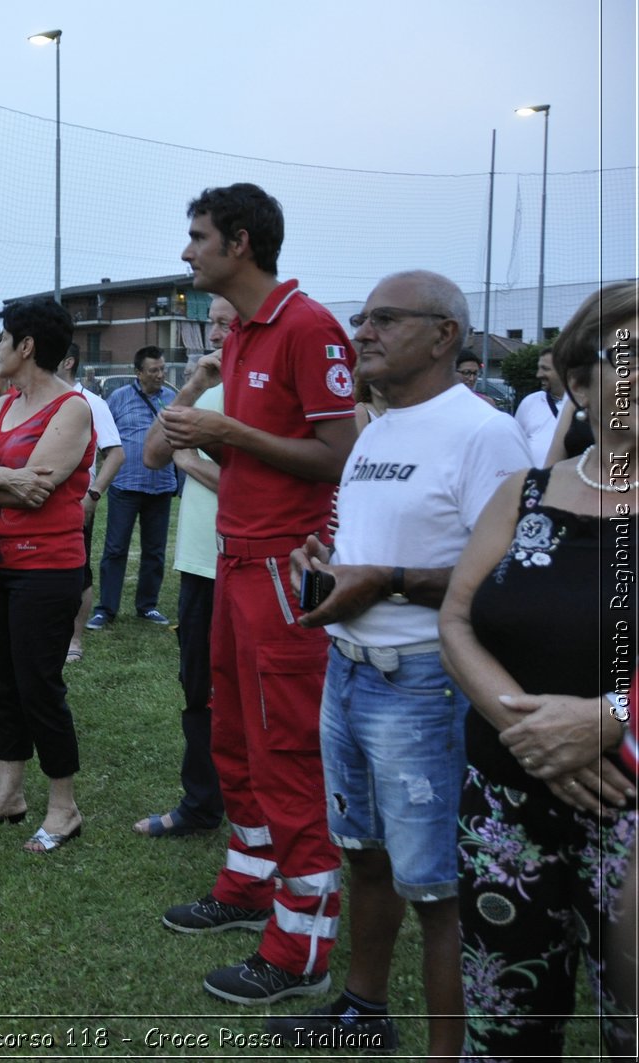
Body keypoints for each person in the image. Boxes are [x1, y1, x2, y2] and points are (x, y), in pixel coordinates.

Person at [266, 271, 532, 1057]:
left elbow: (512, 577)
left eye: (384, 318)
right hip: (347, 670)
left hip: (423, 682)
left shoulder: (484, 434)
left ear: (445, 334)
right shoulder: (377, 427)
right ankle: (361, 1012)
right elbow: (371, 547)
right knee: (365, 855)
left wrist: (385, 581)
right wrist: (332, 563)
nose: (363, 331)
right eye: (361, 317)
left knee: (438, 889)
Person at [157, 182, 357, 1004]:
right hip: (236, 560)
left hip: (282, 568)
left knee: (285, 749)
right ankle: (249, 882)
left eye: (198, 235)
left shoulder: (308, 326)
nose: (186, 250)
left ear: (240, 242)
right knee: (233, 736)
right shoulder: (239, 333)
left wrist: (229, 433)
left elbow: (338, 453)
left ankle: (302, 947)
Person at [438, 280, 638, 1059]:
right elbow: (456, 615)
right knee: (509, 1023)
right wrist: (529, 729)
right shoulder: (522, 494)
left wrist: (605, 718)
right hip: (504, 807)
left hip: (630, 803)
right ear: (580, 382)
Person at [0, 296, 94, 854]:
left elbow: (42, 492)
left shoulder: (73, 409)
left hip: (45, 570)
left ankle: (65, 807)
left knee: (40, 687)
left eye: (4, 342)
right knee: (3, 683)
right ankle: (9, 795)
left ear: (27, 346)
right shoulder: (1, 405)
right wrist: (4, 481)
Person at [136, 296, 239, 838]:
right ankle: (201, 805)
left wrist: (194, 462)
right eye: (213, 324)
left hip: (252, 565)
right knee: (196, 687)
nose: (217, 334)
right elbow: (154, 453)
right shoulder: (207, 389)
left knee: (251, 695)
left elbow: (259, 491)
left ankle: (259, 811)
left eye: (228, 322)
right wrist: (196, 383)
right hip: (202, 565)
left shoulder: (268, 395)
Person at [90, 345, 178, 629]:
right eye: (153, 370)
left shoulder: (172, 399)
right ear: (138, 372)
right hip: (125, 486)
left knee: (155, 550)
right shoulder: (119, 398)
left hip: (161, 486)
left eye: (162, 369)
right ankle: (106, 609)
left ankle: (147, 606)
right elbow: (104, 436)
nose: (160, 375)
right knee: (115, 549)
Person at [60, 344, 123, 663]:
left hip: (76, 503)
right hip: (41, 501)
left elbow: (116, 453)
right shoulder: (37, 398)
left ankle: (74, 639)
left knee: (78, 573)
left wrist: (94, 495)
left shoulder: (91, 402)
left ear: (68, 362)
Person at [513, 347, 565, 464]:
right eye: (539, 368)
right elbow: (516, 446)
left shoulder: (588, 404)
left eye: (545, 369)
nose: (538, 375)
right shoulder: (530, 402)